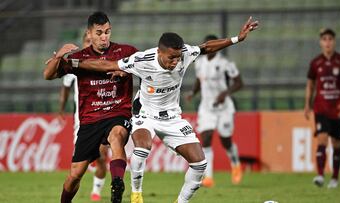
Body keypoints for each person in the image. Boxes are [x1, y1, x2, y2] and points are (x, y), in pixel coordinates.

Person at [67, 16, 258, 203]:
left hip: (172, 117)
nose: (175, 62)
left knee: (200, 164)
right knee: (141, 148)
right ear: (159, 52)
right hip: (145, 114)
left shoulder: (185, 53)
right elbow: (106, 64)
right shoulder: (142, 60)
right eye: (171, 58)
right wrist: (74, 63)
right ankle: (136, 196)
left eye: (178, 57)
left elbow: (206, 47)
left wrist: (236, 39)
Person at [43, 11, 138, 203]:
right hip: (90, 120)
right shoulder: (79, 58)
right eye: (99, 33)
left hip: (117, 111)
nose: (104, 37)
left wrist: (125, 71)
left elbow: (149, 67)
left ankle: (117, 184)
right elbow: (48, 75)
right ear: (89, 34)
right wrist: (59, 56)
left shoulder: (127, 52)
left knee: (117, 135)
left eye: (108, 32)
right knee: (75, 174)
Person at [185, 34, 244, 187]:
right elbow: (199, 80)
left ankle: (235, 163)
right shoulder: (199, 62)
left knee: (226, 141)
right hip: (206, 108)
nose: (210, 48)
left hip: (224, 108)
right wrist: (193, 93)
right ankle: (208, 177)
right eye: (207, 45)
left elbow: (239, 83)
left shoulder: (225, 63)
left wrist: (226, 93)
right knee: (206, 139)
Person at [58, 32, 109, 201]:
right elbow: (65, 90)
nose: (89, 44)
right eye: (87, 41)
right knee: (78, 170)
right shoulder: (73, 67)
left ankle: (96, 191)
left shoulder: (105, 63)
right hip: (82, 123)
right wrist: (61, 109)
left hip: (102, 118)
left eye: (91, 41)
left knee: (102, 158)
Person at [304, 28, 340, 188]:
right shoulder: (315, 63)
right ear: (321, 42)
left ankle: (335, 177)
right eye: (324, 39)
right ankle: (319, 175)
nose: (327, 42)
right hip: (321, 108)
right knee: (322, 139)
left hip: (338, 109)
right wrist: (307, 104)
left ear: (334, 41)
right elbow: (310, 85)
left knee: (336, 143)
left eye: (330, 39)